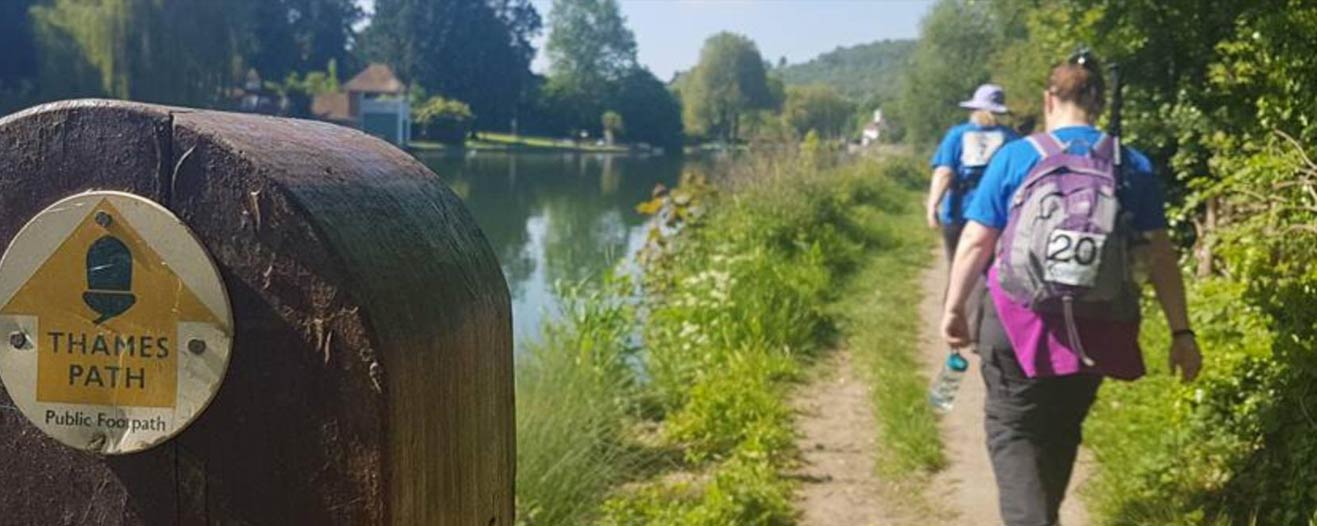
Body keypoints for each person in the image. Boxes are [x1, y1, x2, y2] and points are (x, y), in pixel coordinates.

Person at [940, 53, 1203, 526]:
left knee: (1012, 432)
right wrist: (1182, 333)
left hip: (1015, 324)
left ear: (1048, 99)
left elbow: (978, 239)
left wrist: (955, 307)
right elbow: (1161, 257)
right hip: (1098, 326)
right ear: (1099, 102)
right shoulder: (1132, 164)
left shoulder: (1018, 155)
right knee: (1062, 429)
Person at [926, 84, 1020, 263]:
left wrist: (932, 206)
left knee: (958, 270)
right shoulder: (1012, 138)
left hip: (958, 211)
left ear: (974, 108)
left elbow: (944, 172)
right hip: (996, 212)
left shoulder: (957, 135)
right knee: (990, 270)